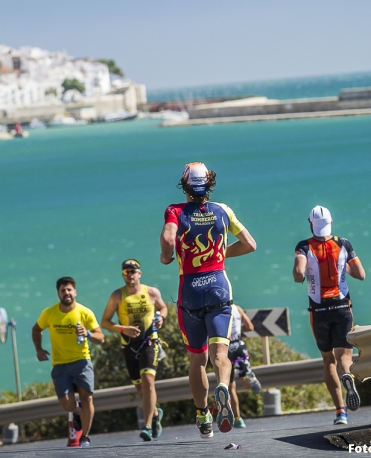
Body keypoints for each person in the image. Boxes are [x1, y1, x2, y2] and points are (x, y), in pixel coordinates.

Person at [159, 162, 257, 438]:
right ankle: (223, 386)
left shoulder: (175, 210)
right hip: (218, 287)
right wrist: (220, 254)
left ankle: (203, 414)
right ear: (209, 184)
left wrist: (166, 256)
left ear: (185, 185)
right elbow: (250, 244)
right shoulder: (223, 210)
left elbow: (168, 238)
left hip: (189, 290)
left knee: (197, 359)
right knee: (220, 354)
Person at [292, 206, 366, 425]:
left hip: (319, 310)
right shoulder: (343, 244)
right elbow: (360, 274)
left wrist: (301, 275)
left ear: (310, 224)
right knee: (345, 357)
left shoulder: (303, 246)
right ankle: (348, 377)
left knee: (328, 360)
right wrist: (343, 269)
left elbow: (298, 273)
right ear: (331, 223)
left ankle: (340, 412)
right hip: (343, 307)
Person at [100, 259, 169, 441]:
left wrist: (161, 318)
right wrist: (123, 329)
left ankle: (147, 426)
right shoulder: (117, 296)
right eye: (126, 272)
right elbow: (105, 322)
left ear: (140, 273)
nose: (130, 274)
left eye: (133, 271)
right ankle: (155, 414)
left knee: (148, 381)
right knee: (140, 388)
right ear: (123, 275)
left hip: (149, 342)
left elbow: (163, 308)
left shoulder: (152, 292)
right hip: (129, 345)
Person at [32, 276, 105, 447]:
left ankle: (85, 437)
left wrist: (87, 333)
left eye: (69, 290)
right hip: (60, 365)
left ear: (75, 292)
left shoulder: (85, 312)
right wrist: (39, 349)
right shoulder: (49, 313)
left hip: (82, 361)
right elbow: (36, 329)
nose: (67, 293)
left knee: (87, 398)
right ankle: (77, 411)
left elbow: (100, 338)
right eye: (63, 290)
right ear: (58, 293)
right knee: (67, 404)